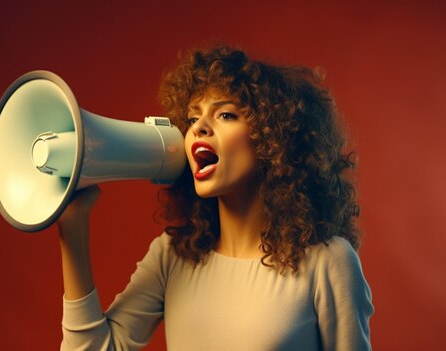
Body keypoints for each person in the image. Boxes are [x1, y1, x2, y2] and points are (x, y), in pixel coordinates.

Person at [57, 45, 374, 351]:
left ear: (273, 137)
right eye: (193, 118)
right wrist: (72, 228)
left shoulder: (328, 262)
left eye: (225, 115)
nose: (199, 129)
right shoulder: (172, 256)